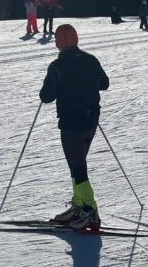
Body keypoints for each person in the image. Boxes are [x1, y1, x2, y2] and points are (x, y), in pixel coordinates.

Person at [41, 24, 110, 231]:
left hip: (72, 124)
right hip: (90, 121)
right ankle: (79, 205)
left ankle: (90, 211)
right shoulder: (91, 59)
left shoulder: (57, 66)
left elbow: (46, 96)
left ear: (59, 43)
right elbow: (104, 84)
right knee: (77, 164)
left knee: (78, 168)